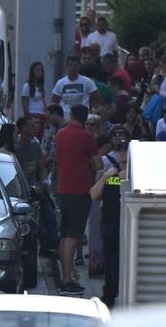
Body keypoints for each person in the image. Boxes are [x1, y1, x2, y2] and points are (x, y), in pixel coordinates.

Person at [54, 104, 99, 294]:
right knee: (74, 236)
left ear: (71, 115)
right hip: (80, 191)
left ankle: (63, 275)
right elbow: (97, 163)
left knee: (65, 235)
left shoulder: (60, 134)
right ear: (84, 117)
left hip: (63, 189)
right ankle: (67, 279)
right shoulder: (86, 136)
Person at [92, 126, 127, 308]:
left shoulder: (135, 174)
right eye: (119, 149)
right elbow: (93, 194)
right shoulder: (109, 171)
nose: (122, 153)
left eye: (125, 150)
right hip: (110, 223)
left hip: (128, 224)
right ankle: (109, 294)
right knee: (110, 260)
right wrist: (106, 177)